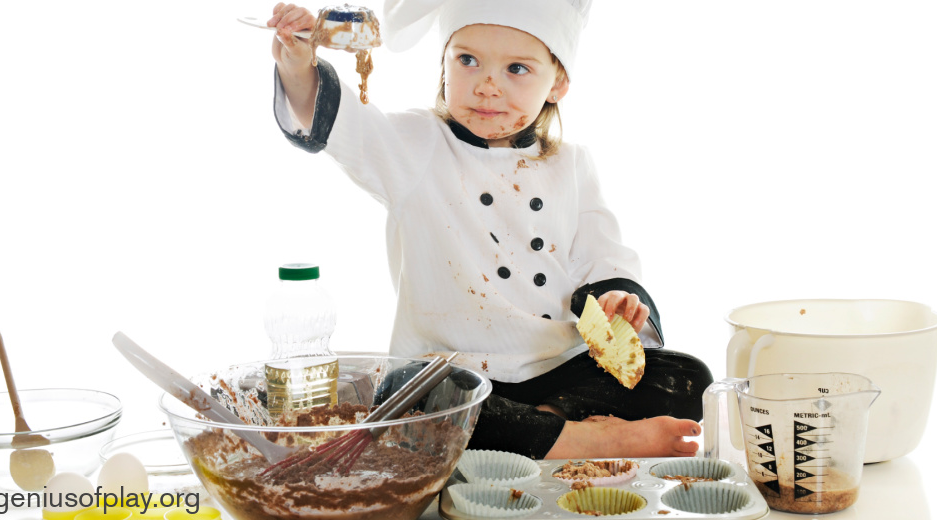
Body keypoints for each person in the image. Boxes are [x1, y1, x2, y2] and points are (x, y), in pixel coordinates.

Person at [266, 0, 714, 459]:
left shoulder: (571, 165)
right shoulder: (417, 146)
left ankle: (537, 428)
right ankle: (583, 438)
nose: (486, 86)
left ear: (557, 82)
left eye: (517, 68)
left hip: (559, 369)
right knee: (408, 395)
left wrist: (617, 301)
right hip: (455, 373)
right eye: (467, 60)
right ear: (444, 62)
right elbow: (340, 124)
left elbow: (601, 258)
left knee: (688, 377)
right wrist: (298, 63)